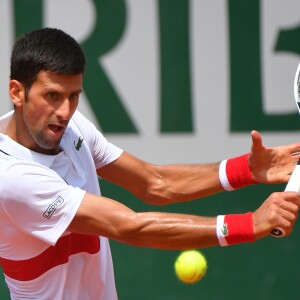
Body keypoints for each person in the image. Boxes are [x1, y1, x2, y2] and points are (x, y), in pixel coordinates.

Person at [0, 27, 299, 300]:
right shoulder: (12, 178)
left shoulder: (71, 127)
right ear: (17, 92)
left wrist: (246, 170)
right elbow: (131, 227)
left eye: (73, 96)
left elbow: (154, 182)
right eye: (52, 95)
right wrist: (250, 224)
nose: (65, 111)